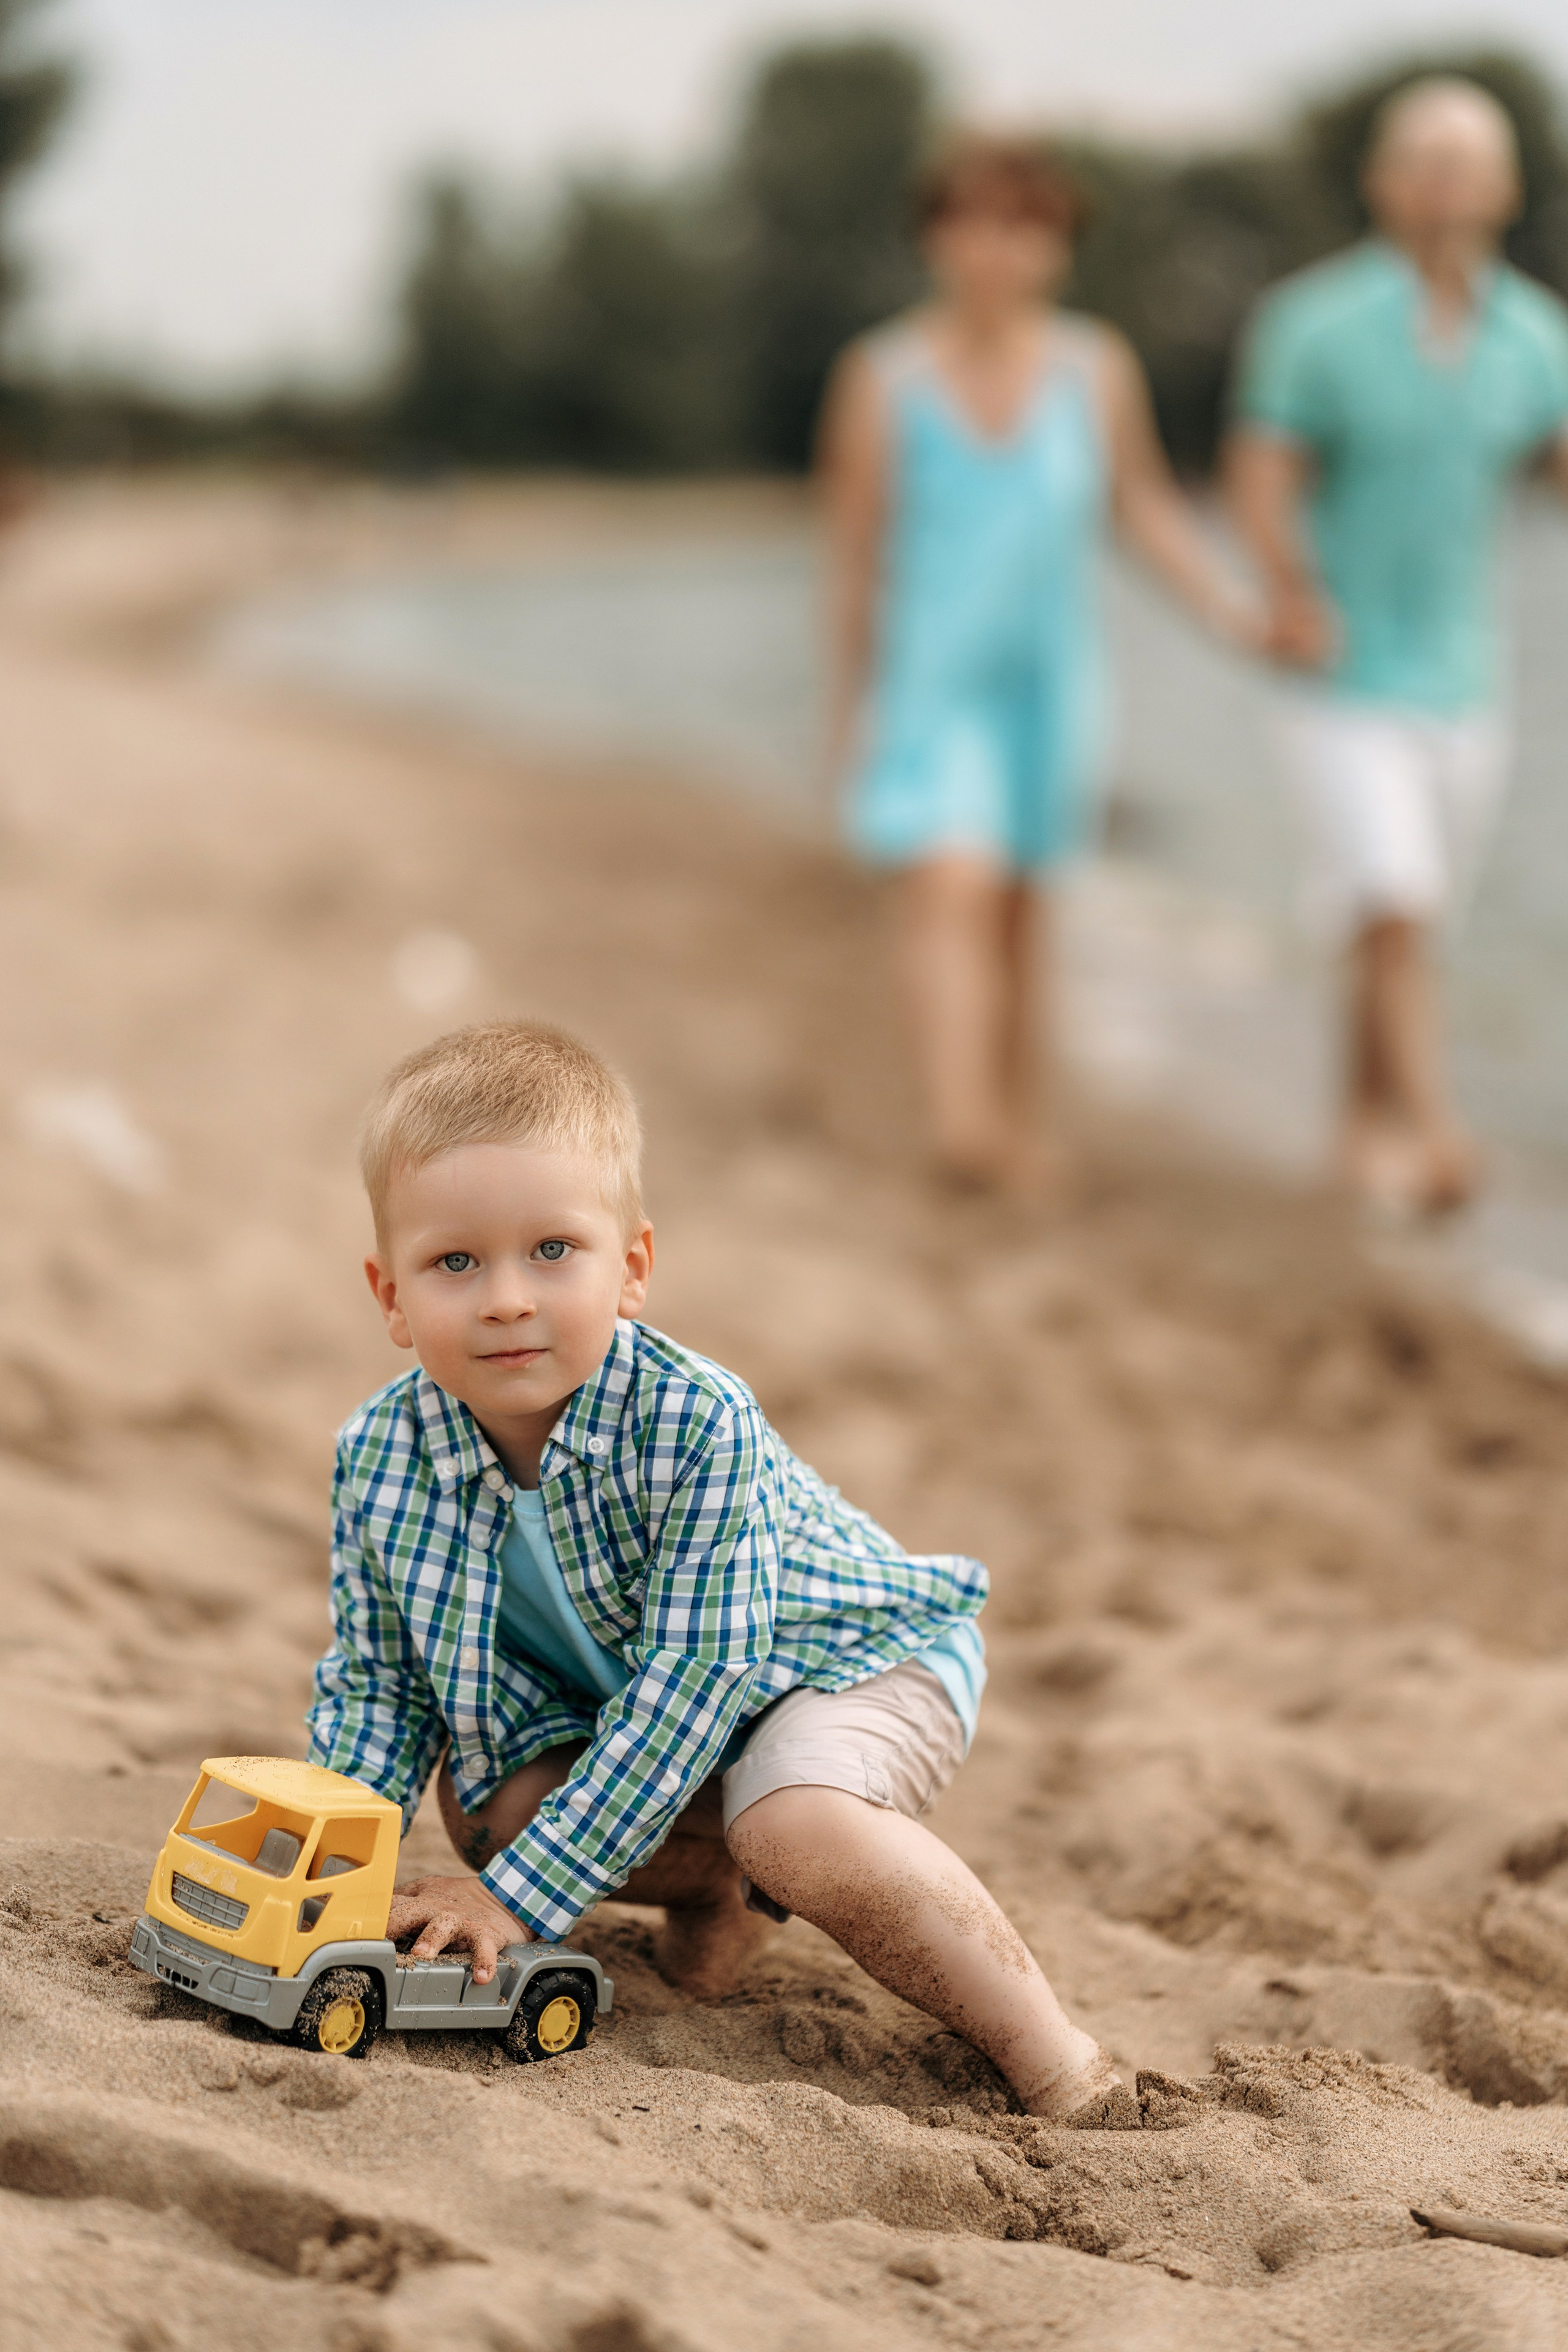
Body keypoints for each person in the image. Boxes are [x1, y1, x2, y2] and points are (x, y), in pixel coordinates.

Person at [307, 1019, 1136, 2124]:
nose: (507, 1297)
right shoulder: (380, 1457)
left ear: (632, 1267)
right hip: (654, 1703)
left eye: (553, 1251)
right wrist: (329, 1871)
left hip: (850, 1659)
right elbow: (383, 1686)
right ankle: (723, 1888)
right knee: (490, 1800)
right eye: (456, 1262)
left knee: (794, 1825)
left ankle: (1057, 2058)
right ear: (392, 1299)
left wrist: (518, 1906)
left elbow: (695, 1683)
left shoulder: (697, 1424)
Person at [821, 133, 1261, 1194]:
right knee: (952, 889)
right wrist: (848, 715)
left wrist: (1233, 609)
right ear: (935, 239)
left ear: (1059, 248)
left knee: (1026, 911)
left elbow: (1144, 507)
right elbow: (853, 559)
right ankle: (961, 1130)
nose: (998, 248)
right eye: (973, 221)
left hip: (1051, 687)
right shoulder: (882, 378)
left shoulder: (1096, 368)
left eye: (1027, 226)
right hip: (932, 689)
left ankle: (1018, 1129)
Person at [1228, 78, 1568, 1214]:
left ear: (1510, 187)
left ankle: (1351, 1137)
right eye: (1423, 159)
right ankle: (1438, 1138)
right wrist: (1287, 586)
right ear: (1381, 182)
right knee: (1395, 899)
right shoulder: (1311, 323)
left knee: (1394, 926)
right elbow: (1261, 472)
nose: (1446, 182)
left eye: (1471, 160)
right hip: (1337, 674)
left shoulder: (1535, 335)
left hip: (1469, 683)